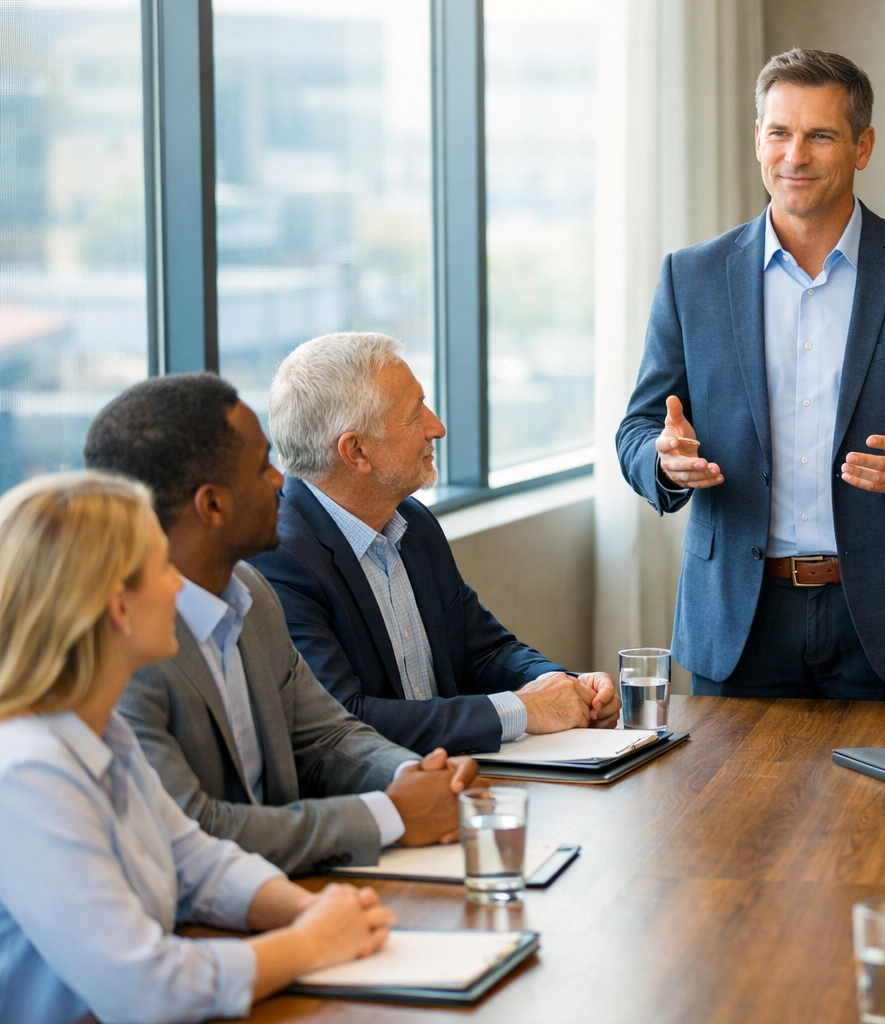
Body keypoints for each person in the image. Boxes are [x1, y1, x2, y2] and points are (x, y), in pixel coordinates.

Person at [615, 48, 885, 698]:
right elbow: (639, 427)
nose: (795, 156)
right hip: (740, 619)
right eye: (779, 132)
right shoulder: (691, 277)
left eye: (820, 136)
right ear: (757, 140)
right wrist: (663, 462)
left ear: (862, 147)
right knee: (732, 804)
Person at [0, 472, 396, 1024]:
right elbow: (148, 989)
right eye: (163, 567)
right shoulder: (26, 775)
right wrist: (310, 943)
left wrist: (315, 911)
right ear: (119, 607)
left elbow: (196, 862)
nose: (180, 586)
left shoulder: (99, 729)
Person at [84, 373, 479, 876]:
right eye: (260, 468)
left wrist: (415, 777)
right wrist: (392, 813)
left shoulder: (251, 593)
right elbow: (193, 829)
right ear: (212, 504)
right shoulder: (122, 649)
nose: (280, 480)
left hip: (281, 893)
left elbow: (327, 738)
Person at [249, 333, 618, 755]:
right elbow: (346, 721)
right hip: (380, 803)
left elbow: (483, 651)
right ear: (356, 451)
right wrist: (521, 708)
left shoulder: (414, 521)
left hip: (458, 776)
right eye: (414, 414)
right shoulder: (279, 559)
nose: (436, 427)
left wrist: (569, 690)